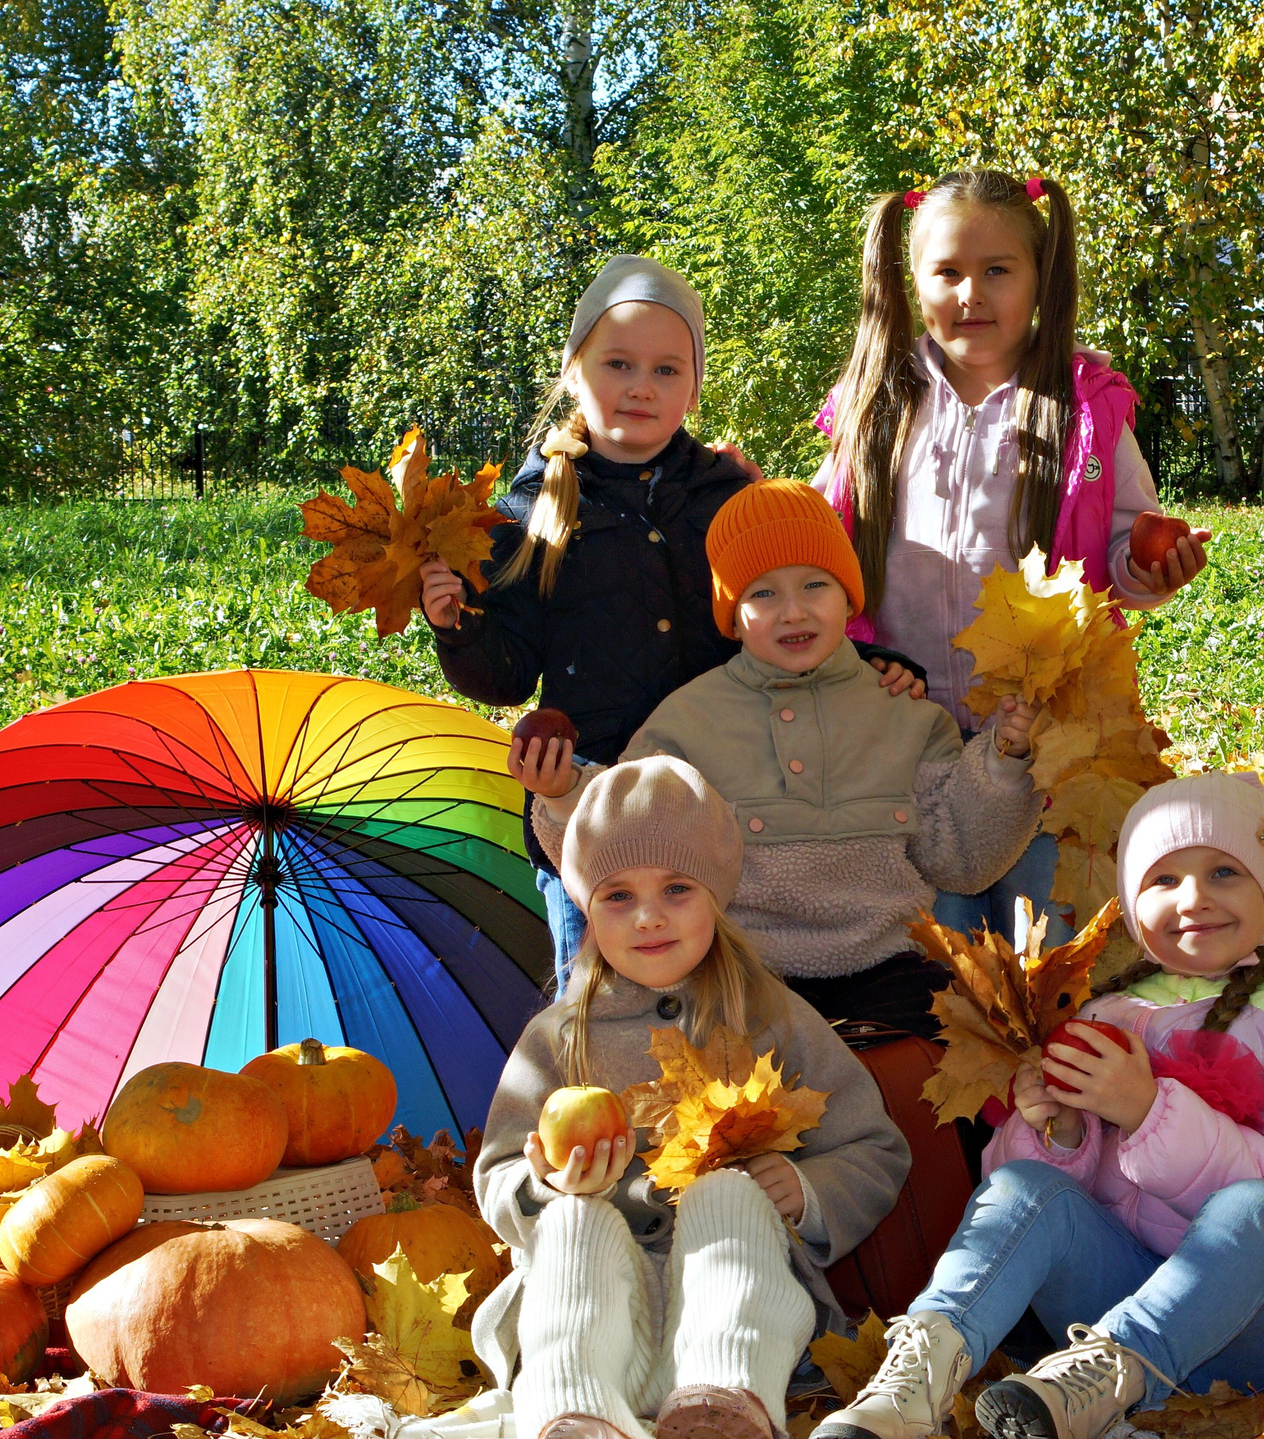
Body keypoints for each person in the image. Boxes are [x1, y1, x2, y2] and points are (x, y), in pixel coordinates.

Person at [801, 773, 1264, 1439]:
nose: (1193, 898)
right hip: (1120, 1300)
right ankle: (915, 1383)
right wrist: (1058, 1129)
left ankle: (1098, 1383)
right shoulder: (1110, 1009)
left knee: (1258, 1208)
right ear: (1135, 906)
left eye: (1223, 872)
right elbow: (1033, 1199)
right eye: (1164, 878)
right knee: (1021, 1185)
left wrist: (1147, 1111)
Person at [424, 255, 920, 985]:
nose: (640, 387)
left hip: (721, 800)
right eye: (618, 363)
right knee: (597, 1007)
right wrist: (459, 626)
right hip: (587, 807)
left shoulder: (727, 493)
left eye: (666, 370)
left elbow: (789, 616)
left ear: (693, 384)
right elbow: (506, 669)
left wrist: (869, 667)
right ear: (573, 371)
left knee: (720, 1004)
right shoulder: (528, 510)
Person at [468, 757, 910, 1439]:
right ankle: (575, 1428)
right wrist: (543, 1185)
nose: (649, 918)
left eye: (677, 889)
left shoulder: (771, 1017)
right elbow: (498, 1171)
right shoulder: (556, 1040)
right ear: (587, 908)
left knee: (728, 1189)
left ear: (718, 896)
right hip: (601, 1320)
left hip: (732, 1315)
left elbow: (872, 1147)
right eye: (618, 897)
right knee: (575, 1220)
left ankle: (730, 1410)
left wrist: (803, 1191)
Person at [813, 168, 1213, 944]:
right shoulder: (878, 404)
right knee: (942, 949)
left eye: (997, 270)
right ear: (914, 283)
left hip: (1046, 741)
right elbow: (825, 552)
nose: (972, 294)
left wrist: (1148, 565)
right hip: (911, 739)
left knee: (1046, 940)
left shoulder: (1084, 414)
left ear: (1038, 278)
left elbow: (1123, 547)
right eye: (949, 272)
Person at [520, 479, 1041, 1038]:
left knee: (929, 1069)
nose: (793, 611)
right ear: (732, 613)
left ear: (849, 596)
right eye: (762, 594)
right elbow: (629, 839)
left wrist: (1006, 759)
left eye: (815, 584)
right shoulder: (685, 721)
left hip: (887, 965)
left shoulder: (906, 714)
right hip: (737, 973)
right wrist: (564, 793)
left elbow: (959, 856)